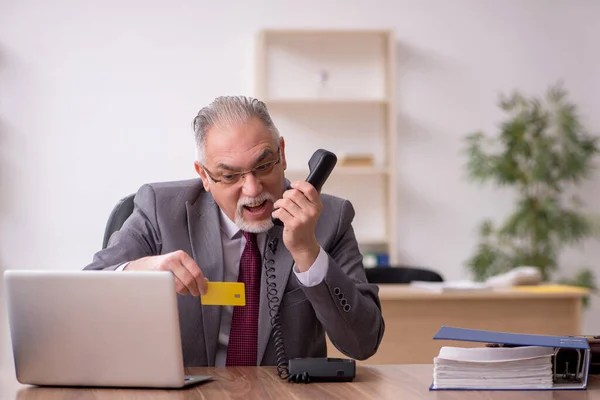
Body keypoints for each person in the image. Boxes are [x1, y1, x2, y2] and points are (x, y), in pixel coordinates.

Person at [84, 96, 385, 367]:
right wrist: (141, 269)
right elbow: (86, 293)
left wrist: (308, 252)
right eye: (229, 176)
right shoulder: (160, 210)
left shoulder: (331, 217)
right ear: (204, 175)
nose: (252, 189)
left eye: (264, 166)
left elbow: (363, 342)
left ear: (281, 153)